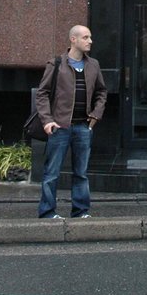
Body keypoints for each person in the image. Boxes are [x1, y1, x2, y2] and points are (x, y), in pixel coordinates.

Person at [35, 24, 107, 219]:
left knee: (81, 173)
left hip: (83, 127)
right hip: (60, 127)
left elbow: (101, 92)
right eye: (85, 37)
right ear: (73, 40)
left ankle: (81, 211)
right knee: (52, 173)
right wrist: (47, 120)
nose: (90, 41)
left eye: (90, 37)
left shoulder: (93, 65)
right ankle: (48, 212)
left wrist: (95, 115)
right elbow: (42, 94)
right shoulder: (56, 63)